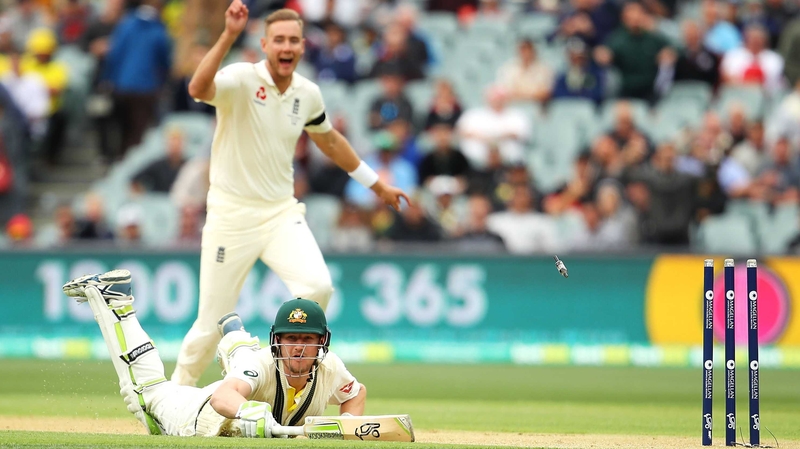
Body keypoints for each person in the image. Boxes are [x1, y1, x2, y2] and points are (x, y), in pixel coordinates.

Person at [175, 2, 409, 387]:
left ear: (303, 47)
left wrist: (376, 183)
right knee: (211, 320)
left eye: (294, 41)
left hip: (280, 214)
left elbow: (329, 141)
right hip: (230, 216)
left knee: (317, 287)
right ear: (265, 44)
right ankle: (173, 398)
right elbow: (198, 88)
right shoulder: (241, 78)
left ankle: (286, 376)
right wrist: (229, 35)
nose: (286, 47)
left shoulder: (307, 93)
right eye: (279, 40)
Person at [61, 270, 365, 437]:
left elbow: (356, 392)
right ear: (277, 341)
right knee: (145, 392)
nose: (298, 347)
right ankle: (115, 301)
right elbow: (223, 397)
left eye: (308, 339)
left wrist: (347, 428)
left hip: (247, 379)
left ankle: (234, 334)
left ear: (322, 343)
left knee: (247, 360)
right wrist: (250, 412)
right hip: (193, 415)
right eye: (291, 338)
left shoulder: (331, 368)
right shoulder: (263, 362)